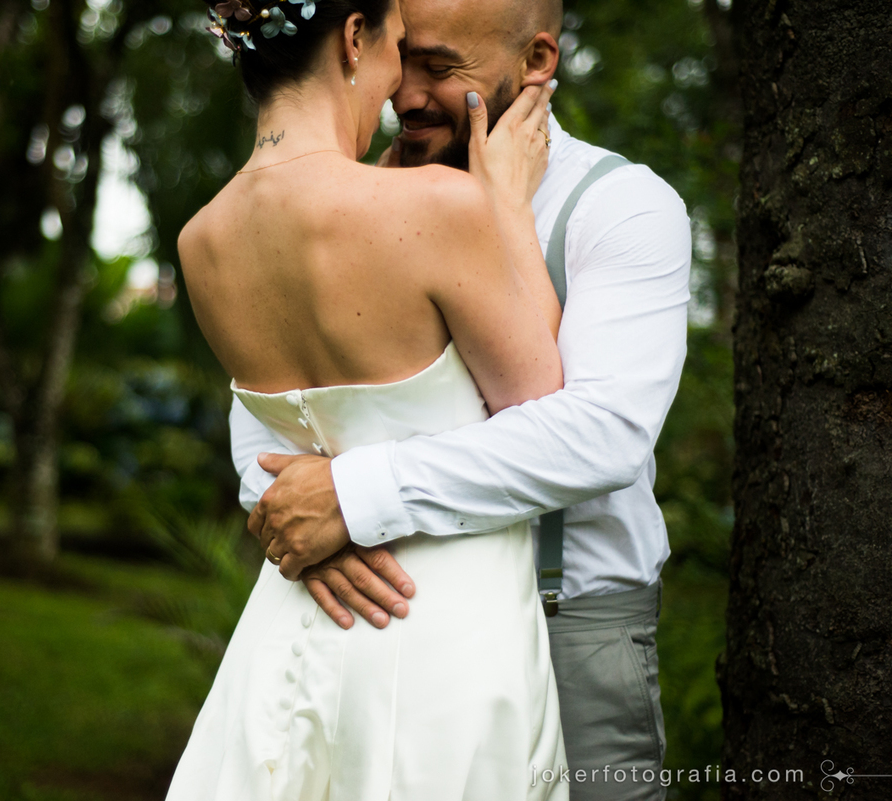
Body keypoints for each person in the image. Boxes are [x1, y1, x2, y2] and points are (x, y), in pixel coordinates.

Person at [236, 0, 693, 798]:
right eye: (401, 57)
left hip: (568, 625)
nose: (404, 94)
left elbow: (600, 434)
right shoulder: (347, 195)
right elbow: (267, 405)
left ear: (538, 61)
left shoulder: (619, 207)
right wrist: (302, 518)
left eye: (441, 68)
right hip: (366, 615)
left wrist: (352, 495)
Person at [165, 0, 571, 796]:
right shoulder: (436, 209)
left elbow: (271, 433)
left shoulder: (201, 240)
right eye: (395, 48)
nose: (397, 88)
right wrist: (508, 206)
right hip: (437, 627)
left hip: (295, 616)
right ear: (354, 38)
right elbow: (542, 407)